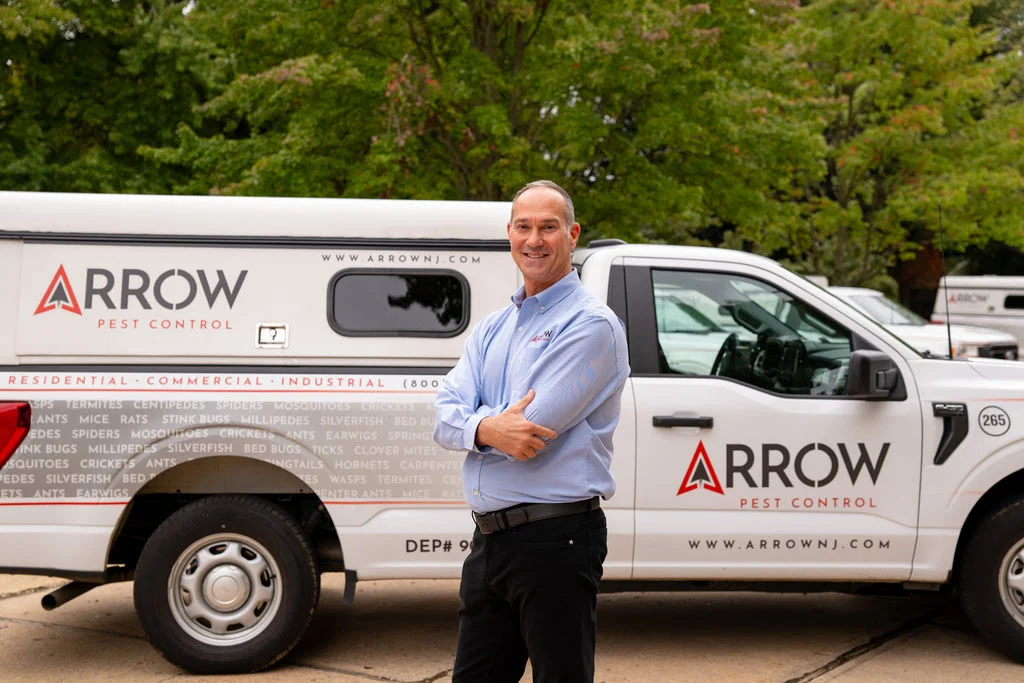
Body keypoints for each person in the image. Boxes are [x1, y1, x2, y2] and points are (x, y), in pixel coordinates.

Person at [433, 180, 630, 683]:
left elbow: (527, 433)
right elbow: (442, 414)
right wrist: (484, 426)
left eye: (548, 227)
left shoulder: (592, 325)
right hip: (489, 544)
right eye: (524, 227)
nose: (534, 240)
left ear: (572, 233)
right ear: (510, 233)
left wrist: (477, 422)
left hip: (556, 541)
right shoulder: (494, 326)